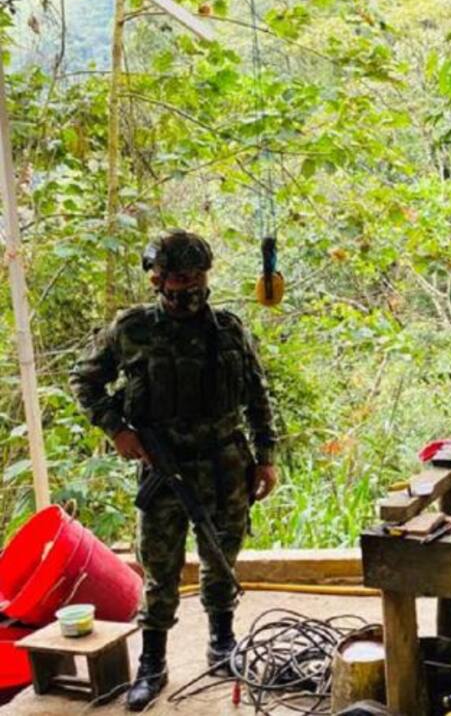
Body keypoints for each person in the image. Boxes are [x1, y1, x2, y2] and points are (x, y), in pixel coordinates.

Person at [69, 230, 279, 711]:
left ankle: (221, 645)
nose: (190, 287)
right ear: (157, 280)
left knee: (222, 558)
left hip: (227, 464)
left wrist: (265, 457)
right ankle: (153, 663)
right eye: (180, 277)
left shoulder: (228, 329)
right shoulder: (133, 329)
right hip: (164, 468)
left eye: (198, 276)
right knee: (161, 571)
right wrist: (117, 430)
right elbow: (85, 380)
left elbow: (258, 395)